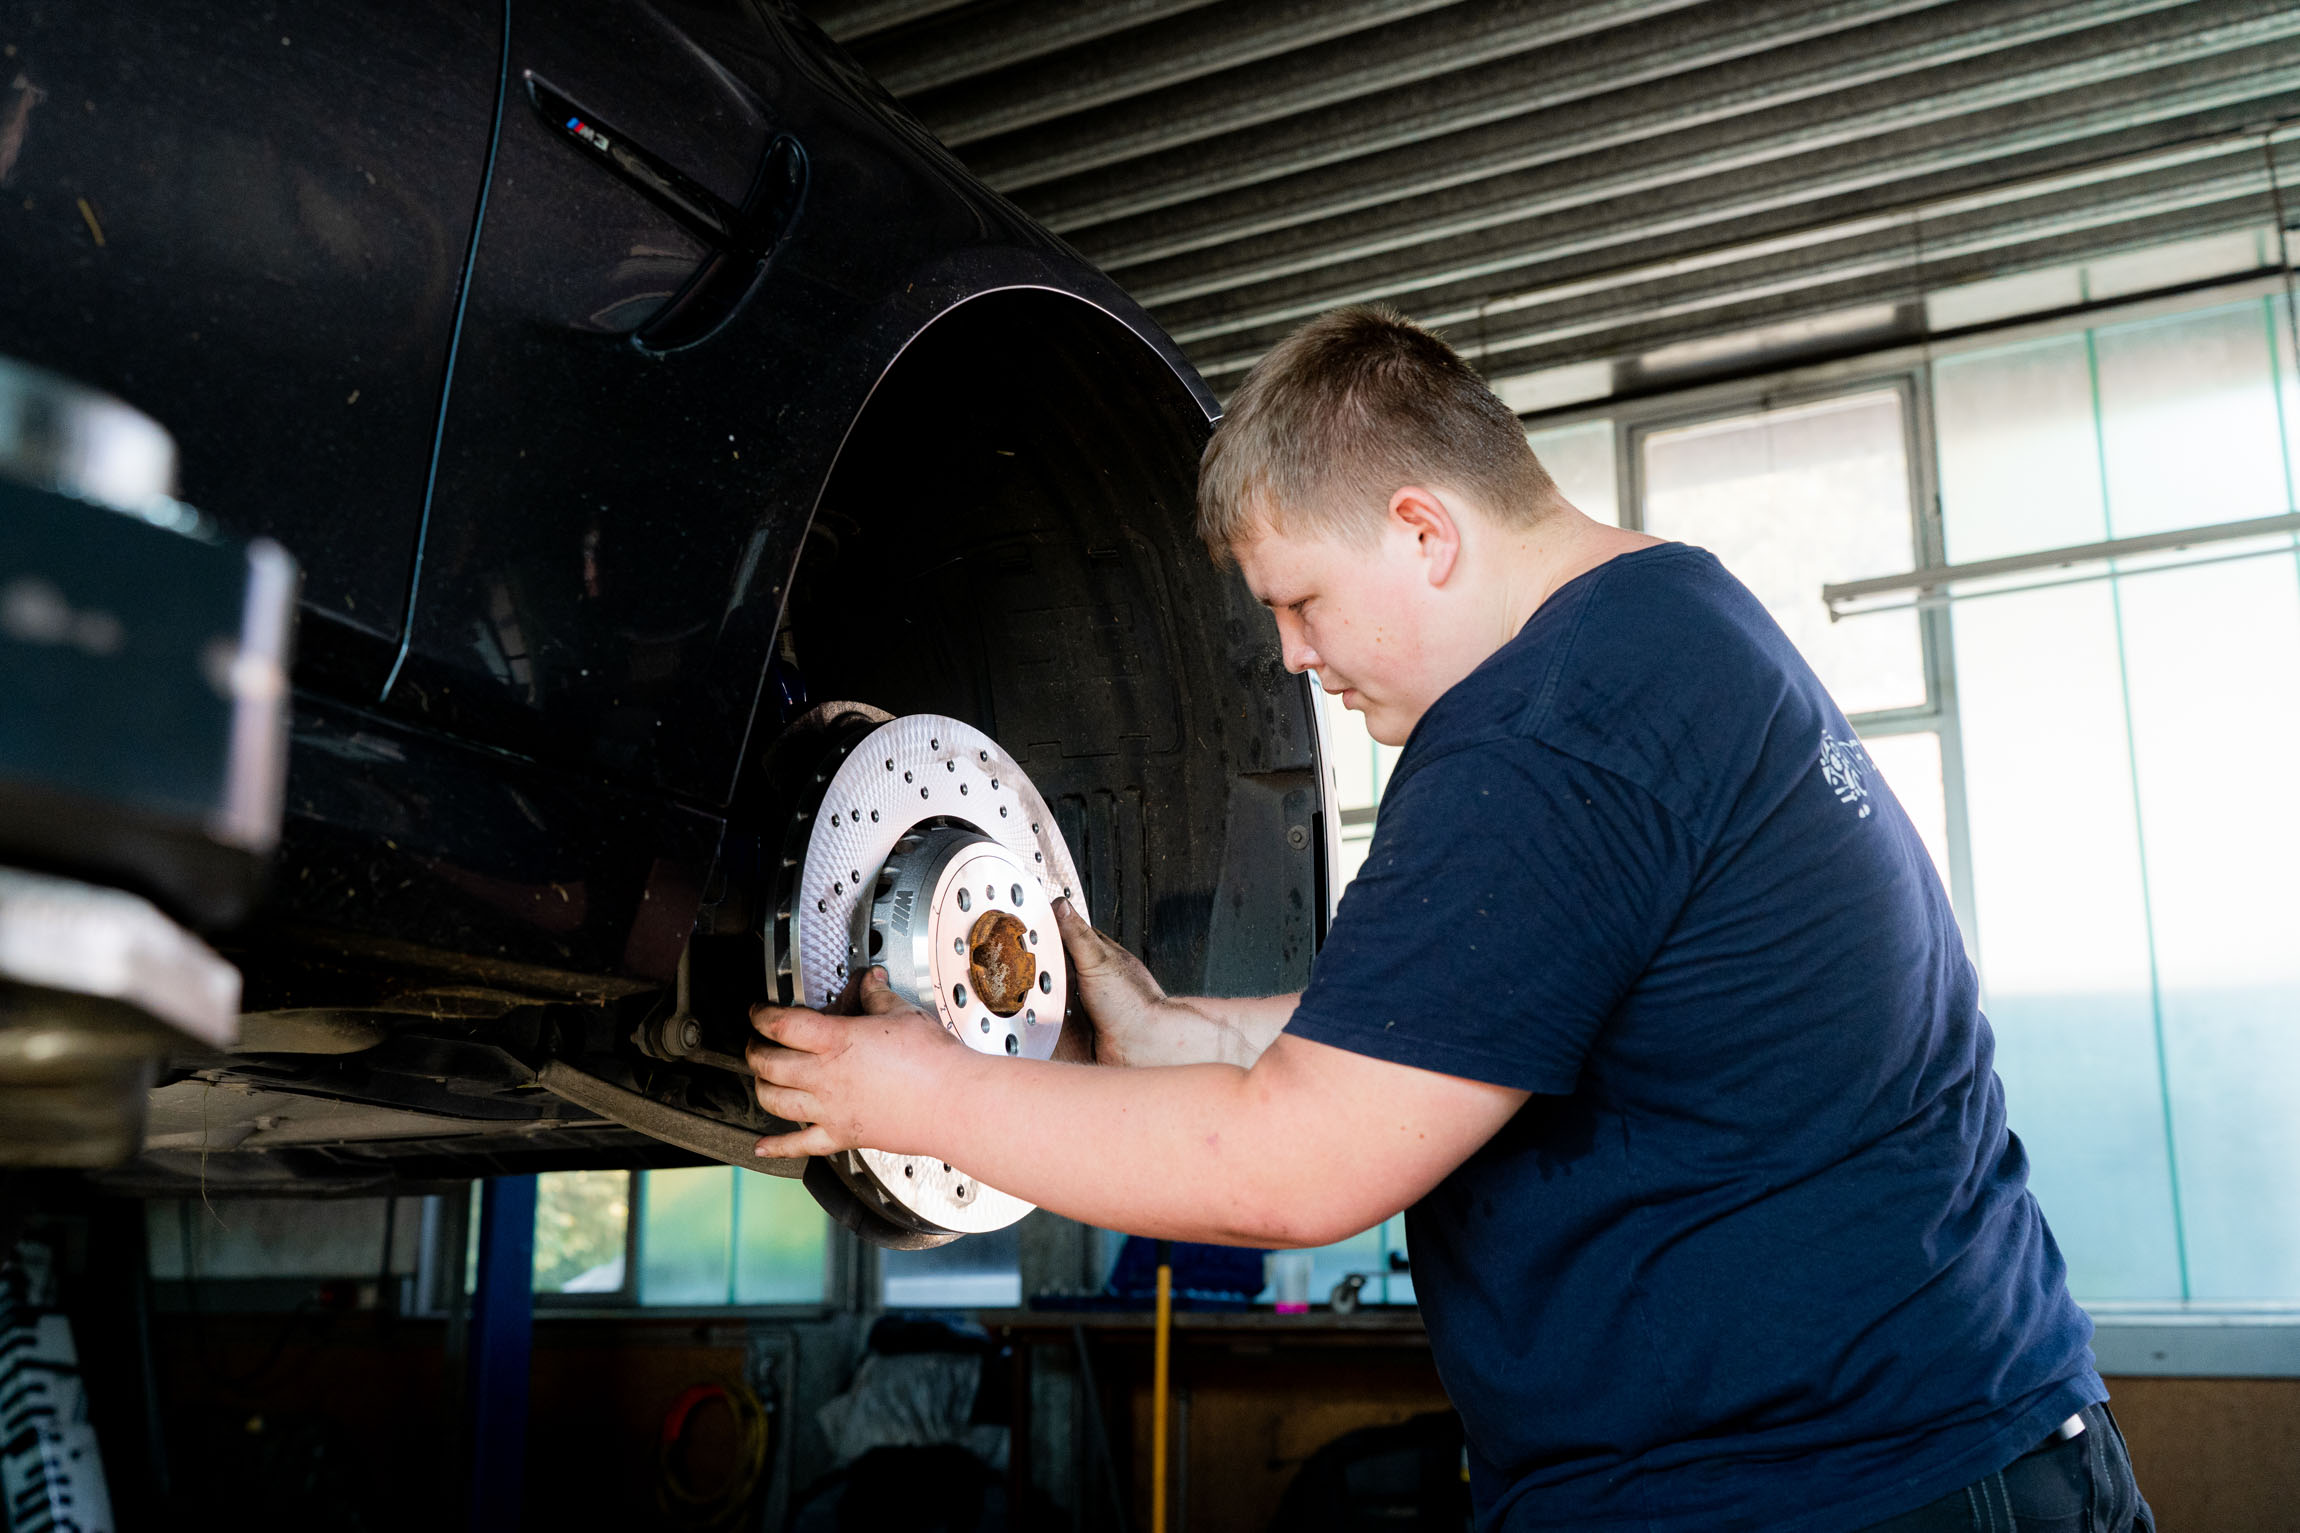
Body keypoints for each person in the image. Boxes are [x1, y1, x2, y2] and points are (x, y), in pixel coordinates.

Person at [745, 305, 2152, 1532]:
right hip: (1909, 1460)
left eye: (1301, 599)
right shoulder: (1668, 628)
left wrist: (917, 1095)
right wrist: (1181, 1030)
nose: (1292, 653)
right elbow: (1486, 1025)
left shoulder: (1546, 731)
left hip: (1843, 1488)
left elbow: (1293, 1166)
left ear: (1422, 529)